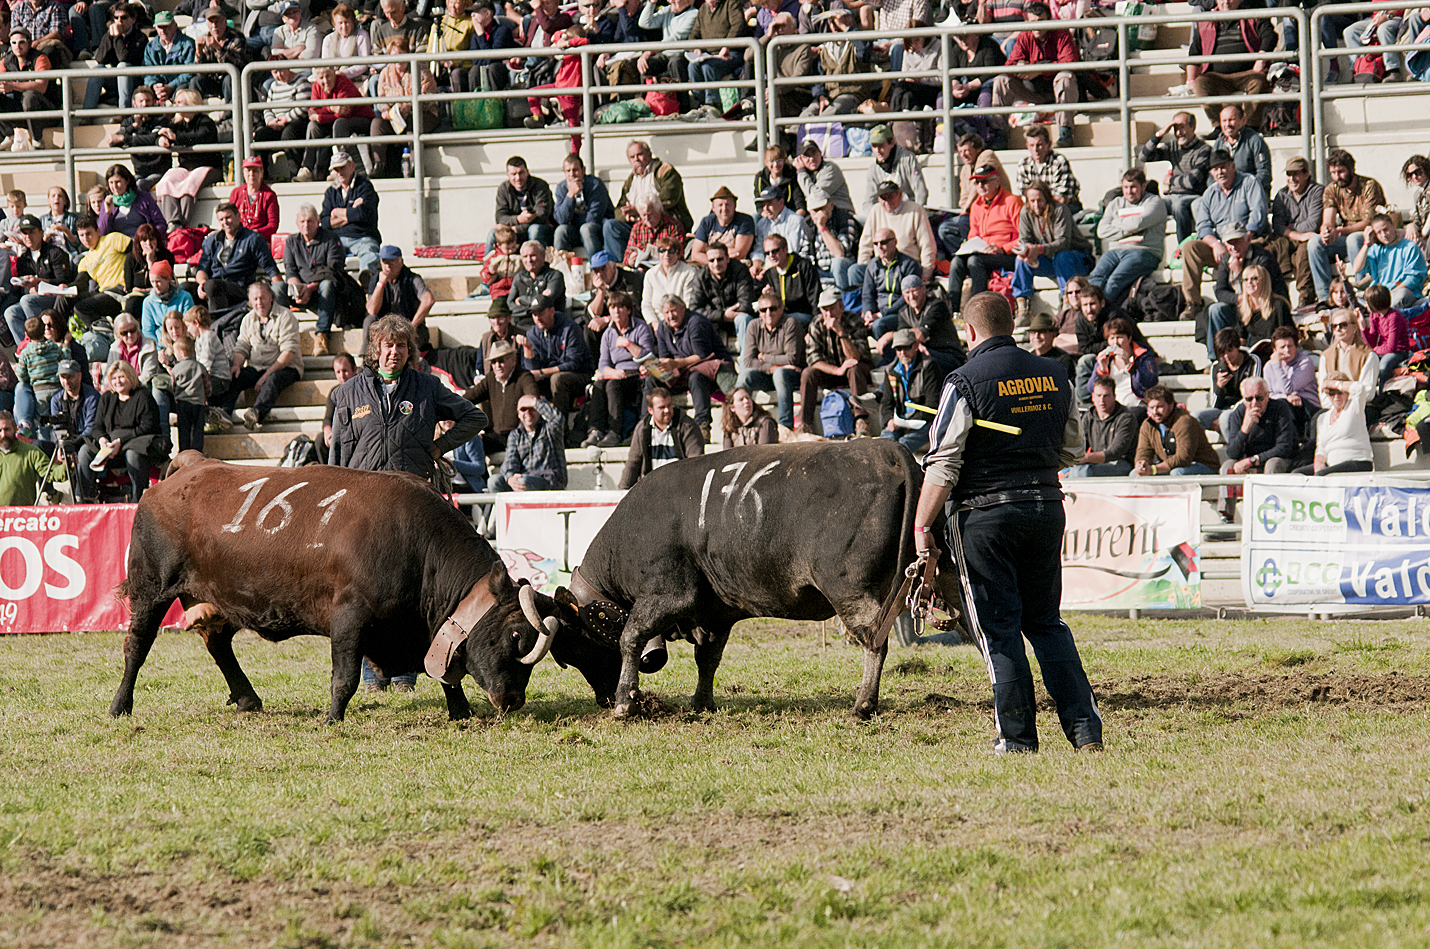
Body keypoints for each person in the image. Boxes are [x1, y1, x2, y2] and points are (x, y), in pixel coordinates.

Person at [914, 291, 1099, 754]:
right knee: (1046, 622)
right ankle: (1084, 730)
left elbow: (942, 464)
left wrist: (922, 527)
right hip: (1045, 507)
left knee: (999, 628)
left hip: (984, 517)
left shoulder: (963, 380)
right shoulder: (1056, 374)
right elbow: (1074, 450)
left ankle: (1016, 739)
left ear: (969, 331)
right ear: (1012, 323)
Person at [330, 313, 487, 481]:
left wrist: (440, 447)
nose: (394, 351)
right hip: (364, 494)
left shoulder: (427, 386)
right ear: (377, 350)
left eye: (401, 345)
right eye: (388, 345)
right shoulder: (348, 392)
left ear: (409, 350)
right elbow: (338, 451)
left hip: (412, 494)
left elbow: (476, 417)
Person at [1184, 150, 1270, 318]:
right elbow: (1203, 227)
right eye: (1215, 169)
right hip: (1222, 247)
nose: (1220, 172)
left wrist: (1246, 238)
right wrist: (1216, 244)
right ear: (1211, 173)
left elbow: (1258, 214)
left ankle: (1260, 299)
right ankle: (1192, 303)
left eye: (1223, 167)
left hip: (1248, 241)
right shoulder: (1209, 194)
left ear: (1233, 166)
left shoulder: (1249, 183)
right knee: (1190, 248)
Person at [646, 294, 734, 443]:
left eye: (673, 311)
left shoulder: (696, 322)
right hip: (679, 373)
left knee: (696, 377)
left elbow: (702, 355)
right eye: (666, 313)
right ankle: (648, 425)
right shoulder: (662, 327)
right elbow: (663, 357)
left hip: (708, 370)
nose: (670, 316)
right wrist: (653, 368)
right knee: (650, 381)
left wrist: (675, 364)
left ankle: (702, 426)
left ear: (682, 308)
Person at [990, 2, 1079, 149]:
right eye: (1032, 22)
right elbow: (1009, 65)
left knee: (1065, 77)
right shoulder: (1025, 35)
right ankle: (1000, 134)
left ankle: (1065, 132)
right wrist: (1019, 67)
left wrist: (1040, 70)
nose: (1036, 26)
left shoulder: (1061, 32)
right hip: (1032, 90)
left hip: (1057, 91)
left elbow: (1070, 62)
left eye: (1041, 21)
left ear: (1049, 20)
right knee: (1001, 80)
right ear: (1026, 22)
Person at [76, 360, 167, 503]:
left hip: (136, 442)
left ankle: (138, 499)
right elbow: (97, 426)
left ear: (130, 376)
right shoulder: (107, 397)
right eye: (114, 378)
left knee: (133, 454)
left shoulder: (143, 396)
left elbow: (147, 426)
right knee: (85, 451)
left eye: (121, 377)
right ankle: (85, 498)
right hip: (110, 444)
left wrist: (120, 441)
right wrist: (102, 440)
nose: (118, 381)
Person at [1309, 148, 1387, 307]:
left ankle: (1360, 292)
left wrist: (1338, 231)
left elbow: (1367, 222)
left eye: (1341, 171)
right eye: (1333, 172)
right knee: (1314, 243)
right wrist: (1326, 230)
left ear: (1351, 169)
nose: (1337, 176)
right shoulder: (1332, 189)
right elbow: (1328, 219)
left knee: (1353, 238)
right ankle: (1325, 297)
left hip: (1370, 237)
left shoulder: (1369, 186)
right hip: (1344, 237)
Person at [222, 282, 302, 431]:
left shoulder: (286, 316)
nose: (259, 302)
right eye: (255, 299)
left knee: (272, 380)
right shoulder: (248, 319)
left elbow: (288, 352)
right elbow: (242, 347)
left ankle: (256, 412)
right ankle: (224, 414)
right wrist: (236, 365)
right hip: (257, 367)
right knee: (234, 377)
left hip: (285, 367)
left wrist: (266, 374)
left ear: (271, 297)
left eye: (262, 298)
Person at [1009, 180, 1092, 324]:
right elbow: (1025, 239)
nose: (1036, 205)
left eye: (1039, 200)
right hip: (1049, 261)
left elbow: (1063, 242)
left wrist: (1039, 249)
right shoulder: (1026, 212)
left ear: (1047, 198)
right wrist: (1026, 252)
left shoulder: (1060, 210)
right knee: (1020, 261)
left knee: (1062, 256)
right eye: (1032, 201)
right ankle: (1023, 308)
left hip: (1077, 258)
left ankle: (1067, 303)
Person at [582, 289, 654, 448]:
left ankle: (615, 432)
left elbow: (648, 358)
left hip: (637, 374)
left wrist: (628, 344)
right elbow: (603, 364)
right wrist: (612, 372)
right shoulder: (608, 333)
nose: (616, 311)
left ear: (628, 310)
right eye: (613, 307)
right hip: (617, 374)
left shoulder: (640, 327)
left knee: (612, 384)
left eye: (620, 307)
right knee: (599, 385)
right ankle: (595, 431)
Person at [1187, 4, 1274, 130]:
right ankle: (1219, 127)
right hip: (1217, 77)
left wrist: (1260, 60)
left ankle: (1250, 128)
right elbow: (1194, 52)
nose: (1226, 2)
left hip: (1249, 73)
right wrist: (1191, 80)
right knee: (1200, 83)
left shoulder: (1253, 15)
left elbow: (1270, 36)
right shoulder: (1206, 22)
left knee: (1259, 81)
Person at [1204, 236, 1291, 362]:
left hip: (1273, 353)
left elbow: (1288, 335)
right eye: (1230, 243)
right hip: (1242, 306)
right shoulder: (1226, 259)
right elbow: (1220, 292)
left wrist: (1239, 272)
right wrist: (1241, 299)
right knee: (1215, 309)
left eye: (1237, 242)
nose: (1233, 247)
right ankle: (1218, 359)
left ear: (1247, 241)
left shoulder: (1262, 257)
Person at [1090, 169, 1167, 310]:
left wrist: (1117, 223)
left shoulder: (1154, 203)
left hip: (1144, 252)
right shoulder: (1116, 203)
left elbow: (1137, 223)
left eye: (1133, 187)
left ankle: (1102, 314)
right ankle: (1089, 314)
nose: (1129, 192)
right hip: (1115, 251)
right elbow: (1102, 230)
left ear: (1143, 187)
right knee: (1096, 277)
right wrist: (1130, 229)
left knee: (1114, 281)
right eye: (1125, 187)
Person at [799, 288, 871, 435]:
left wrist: (841, 333)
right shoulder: (816, 324)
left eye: (832, 309)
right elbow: (813, 359)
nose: (829, 314)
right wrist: (837, 370)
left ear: (841, 307)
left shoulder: (854, 320)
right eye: (825, 310)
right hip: (831, 371)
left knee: (855, 368)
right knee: (808, 373)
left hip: (856, 371)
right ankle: (805, 424)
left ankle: (861, 421)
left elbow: (855, 357)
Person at [605, 140, 692, 262]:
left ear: (649, 154)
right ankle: (619, 268)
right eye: (632, 157)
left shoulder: (664, 170)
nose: (637, 159)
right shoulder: (630, 181)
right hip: (639, 227)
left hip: (665, 224)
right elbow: (619, 209)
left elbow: (670, 197)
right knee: (610, 226)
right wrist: (628, 216)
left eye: (640, 154)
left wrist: (639, 210)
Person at [949, 165, 1023, 305]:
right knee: (956, 262)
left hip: (1007, 255)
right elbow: (973, 234)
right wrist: (967, 245)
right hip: (982, 252)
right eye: (977, 183)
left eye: (984, 181)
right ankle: (952, 312)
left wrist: (1003, 248)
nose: (980, 186)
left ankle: (980, 307)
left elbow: (1024, 238)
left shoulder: (1012, 201)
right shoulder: (976, 206)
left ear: (996, 181)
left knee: (974, 261)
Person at [276, 204, 346, 349]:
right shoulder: (291, 241)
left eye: (310, 221)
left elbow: (333, 270)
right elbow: (290, 270)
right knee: (277, 288)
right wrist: (298, 288)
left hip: (323, 290)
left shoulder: (331, 238)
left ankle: (322, 336)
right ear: (297, 224)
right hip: (300, 291)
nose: (306, 225)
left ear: (318, 221)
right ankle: (284, 333)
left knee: (327, 285)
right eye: (302, 222)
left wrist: (310, 288)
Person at [1138, 112, 1211, 243]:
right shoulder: (1173, 146)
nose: (1178, 132)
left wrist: (1170, 180)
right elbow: (1144, 156)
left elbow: (1191, 182)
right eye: (1175, 128)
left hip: (1193, 196)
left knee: (1178, 206)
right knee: (1152, 204)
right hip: (1172, 196)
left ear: (1192, 127)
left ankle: (1182, 247)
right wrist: (1160, 134)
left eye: (1182, 127)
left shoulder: (1203, 149)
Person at [194, 202, 280, 312]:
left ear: (238, 216)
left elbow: (270, 267)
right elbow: (202, 268)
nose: (225, 222)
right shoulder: (212, 241)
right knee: (186, 289)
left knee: (213, 286)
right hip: (213, 286)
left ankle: (218, 325)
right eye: (221, 220)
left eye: (228, 217)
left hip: (239, 287)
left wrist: (279, 287)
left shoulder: (253, 239)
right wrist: (202, 284)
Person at [738, 290, 804, 430]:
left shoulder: (791, 323)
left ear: (781, 308)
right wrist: (772, 367)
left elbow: (791, 358)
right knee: (745, 375)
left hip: (791, 375)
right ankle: (739, 422)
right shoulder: (753, 326)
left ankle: (785, 425)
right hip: (767, 375)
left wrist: (763, 357)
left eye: (773, 308)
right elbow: (749, 361)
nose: (768, 313)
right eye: (763, 309)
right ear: (759, 311)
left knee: (780, 374)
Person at [6, 213, 74, 346]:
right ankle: (27, 349)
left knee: (27, 301)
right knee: (11, 312)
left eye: (32, 232)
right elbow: (21, 291)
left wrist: (40, 282)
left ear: (41, 232)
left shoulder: (55, 252)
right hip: (34, 299)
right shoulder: (23, 260)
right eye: (24, 233)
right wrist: (28, 289)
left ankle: (42, 343)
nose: (28, 236)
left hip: (54, 298)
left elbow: (64, 280)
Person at [520, 292, 593, 415]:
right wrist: (528, 349)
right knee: (526, 379)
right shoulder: (532, 334)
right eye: (534, 314)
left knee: (557, 379)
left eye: (541, 313)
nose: (537, 318)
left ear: (552, 311)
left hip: (579, 375)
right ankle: (532, 425)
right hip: (547, 378)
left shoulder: (570, 328)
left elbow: (574, 364)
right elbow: (532, 370)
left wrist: (543, 373)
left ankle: (559, 424)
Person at [617, 385, 703, 489]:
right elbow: (633, 462)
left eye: (669, 405)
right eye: (662, 407)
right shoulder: (642, 428)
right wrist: (622, 491)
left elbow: (696, 462)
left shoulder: (687, 426)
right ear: (650, 410)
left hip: (680, 488)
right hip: (652, 489)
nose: (667, 410)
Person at [1265, 157, 1323, 309]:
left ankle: (1305, 298)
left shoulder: (1317, 191)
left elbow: (1312, 224)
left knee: (1304, 251)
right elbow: (1277, 225)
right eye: (1289, 174)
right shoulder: (1281, 195)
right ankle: (1276, 296)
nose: (1291, 179)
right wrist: (1296, 234)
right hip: (1290, 238)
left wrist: (1289, 228)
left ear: (1306, 174)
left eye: (1296, 174)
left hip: (1309, 239)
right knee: (1270, 250)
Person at [855, 179, 936, 286]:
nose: (887, 201)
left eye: (890, 196)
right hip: (880, 266)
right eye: (883, 198)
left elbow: (927, 244)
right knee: (855, 271)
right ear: (878, 199)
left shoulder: (915, 210)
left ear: (900, 194)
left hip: (907, 265)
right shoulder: (875, 211)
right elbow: (865, 245)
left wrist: (926, 272)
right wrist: (865, 266)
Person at [465, 338, 539, 454]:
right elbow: (468, 398)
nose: (497, 365)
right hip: (497, 437)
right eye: (493, 362)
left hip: (519, 435)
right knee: (469, 443)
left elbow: (533, 398)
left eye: (501, 360)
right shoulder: (490, 379)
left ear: (513, 360)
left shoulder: (524, 377)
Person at [1222, 374, 1300, 481]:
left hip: (1276, 458)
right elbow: (1232, 453)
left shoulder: (1280, 408)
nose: (1254, 403)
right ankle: (1226, 498)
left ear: (1267, 396)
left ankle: (1270, 497)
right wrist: (1244, 429)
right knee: (1228, 466)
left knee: (1272, 464)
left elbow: (1284, 447)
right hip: (1249, 459)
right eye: (1249, 399)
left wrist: (1254, 460)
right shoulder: (1238, 414)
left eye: (1259, 398)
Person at [1133, 384, 1221, 477]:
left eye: (1160, 406)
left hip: (1202, 465)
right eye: (1151, 408)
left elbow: (1183, 458)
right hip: (1170, 466)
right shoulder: (1148, 425)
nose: (1155, 412)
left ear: (1171, 405)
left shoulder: (1185, 422)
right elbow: (1144, 451)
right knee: (1134, 474)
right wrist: (1141, 464)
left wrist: (1153, 469)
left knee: (1177, 473)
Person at [320, 148, 382, 282]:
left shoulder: (365, 187)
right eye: (336, 170)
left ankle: (366, 278)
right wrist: (350, 213)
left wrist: (336, 213)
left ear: (352, 166)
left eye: (342, 167)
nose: (339, 172)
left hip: (362, 237)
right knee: (326, 252)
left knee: (369, 251)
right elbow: (324, 221)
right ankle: (333, 280)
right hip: (338, 239)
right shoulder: (330, 192)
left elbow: (363, 214)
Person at [1347, 213, 1428, 311]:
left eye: (1386, 230)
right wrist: (1366, 243)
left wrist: (1388, 294)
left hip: (1402, 293)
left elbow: (1412, 279)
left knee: (1401, 295)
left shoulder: (1409, 247)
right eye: (1379, 232)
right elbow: (1357, 268)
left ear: (1393, 226)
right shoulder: (1376, 249)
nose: (1384, 235)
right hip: (1381, 295)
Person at [1299, 373, 1372, 475]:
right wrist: (1319, 463)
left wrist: (1331, 383)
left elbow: (1359, 388)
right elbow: (1321, 448)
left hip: (1358, 461)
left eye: (1340, 392)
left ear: (1347, 392)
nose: (1336, 397)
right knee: (1297, 474)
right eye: (1332, 393)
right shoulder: (1322, 418)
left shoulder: (1354, 407)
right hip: (1332, 465)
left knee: (1321, 475)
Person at [364, 245, 435, 350]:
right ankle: (366, 360)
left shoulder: (412, 279)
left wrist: (413, 325)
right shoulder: (375, 281)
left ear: (400, 262)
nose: (388, 266)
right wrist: (381, 285)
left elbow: (428, 300)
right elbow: (372, 310)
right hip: (386, 327)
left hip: (407, 326)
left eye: (392, 261)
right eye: (385, 262)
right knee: (369, 320)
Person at [1064, 376, 1137, 477]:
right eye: (1098, 395)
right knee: (1064, 471)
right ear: (1093, 397)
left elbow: (1115, 452)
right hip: (1094, 463)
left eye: (1106, 396)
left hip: (1120, 463)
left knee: (1083, 472)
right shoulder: (1088, 416)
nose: (1102, 400)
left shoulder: (1126, 418)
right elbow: (1079, 444)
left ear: (1114, 396)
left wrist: (1085, 458)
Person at [492, 394, 567, 491]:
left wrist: (536, 403)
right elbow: (510, 461)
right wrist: (510, 478)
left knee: (523, 481)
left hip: (549, 481)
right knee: (494, 481)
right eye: (523, 409)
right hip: (524, 479)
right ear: (518, 414)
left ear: (538, 411)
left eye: (531, 408)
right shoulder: (515, 435)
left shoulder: (550, 429)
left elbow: (558, 419)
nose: (527, 412)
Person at [860, 228, 921, 345]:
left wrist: (881, 314)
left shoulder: (909, 264)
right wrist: (868, 312)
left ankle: (888, 360)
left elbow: (907, 298)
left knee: (879, 325)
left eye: (883, 242)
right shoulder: (872, 266)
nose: (879, 247)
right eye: (876, 244)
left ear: (895, 242)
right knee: (855, 324)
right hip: (878, 314)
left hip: (901, 314)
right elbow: (868, 294)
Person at [1198, 327, 1262, 434]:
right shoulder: (1217, 367)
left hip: (1244, 408)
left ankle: (1235, 450)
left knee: (1225, 418)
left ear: (1238, 347)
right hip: (1223, 409)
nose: (1226, 356)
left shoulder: (1252, 361)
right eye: (1222, 353)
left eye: (1230, 350)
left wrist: (1231, 410)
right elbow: (1214, 404)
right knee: (1195, 418)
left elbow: (1252, 396)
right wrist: (1219, 387)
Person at [0, 28, 57, 146]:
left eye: (22, 42)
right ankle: (9, 135)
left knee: (29, 96)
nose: (17, 46)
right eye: (13, 43)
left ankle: (37, 141)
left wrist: (12, 85)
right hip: (21, 110)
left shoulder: (40, 58)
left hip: (47, 111)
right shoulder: (6, 61)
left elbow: (41, 86)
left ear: (30, 43)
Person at [553, 153, 614, 261]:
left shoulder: (595, 184)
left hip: (596, 230)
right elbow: (561, 219)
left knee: (586, 229)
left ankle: (597, 270)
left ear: (583, 170)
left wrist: (573, 219)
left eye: (575, 170)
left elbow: (594, 217)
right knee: (560, 231)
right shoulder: (561, 188)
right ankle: (561, 271)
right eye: (568, 171)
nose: (572, 174)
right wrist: (570, 195)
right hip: (575, 231)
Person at [1090, 317, 1157, 412]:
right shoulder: (1106, 358)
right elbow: (1090, 389)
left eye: (1120, 337)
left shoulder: (1143, 356)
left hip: (1135, 405)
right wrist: (1102, 369)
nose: (1116, 342)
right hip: (1110, 407)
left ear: (1129, 338)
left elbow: (1149, 384)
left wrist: (1129, 366)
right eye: (1112, 338)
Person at [491, 155, 556, 253]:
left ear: (527, 171)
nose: (518, 178)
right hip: (514, 230)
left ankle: (537, 265)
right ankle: (489, 266)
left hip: (540, 228)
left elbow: (542, 215)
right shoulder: (504, 189)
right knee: (493, 233)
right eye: (514, 174)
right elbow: (500, 217)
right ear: (508, 175)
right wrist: (517, 219)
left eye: (521, 173)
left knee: (534, 230)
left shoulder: (540, 186)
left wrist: (517, 228)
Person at [1263, 325, 1319, 434]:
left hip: (1306, 406)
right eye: (1282, 347)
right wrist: (1286, 397)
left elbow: (1288, 388)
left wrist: (1277, 365)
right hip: (1283, 405)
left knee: (1282, 405)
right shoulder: (1269, 366)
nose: (1287, 351)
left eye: (1290, 346)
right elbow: (1268, 394)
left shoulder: (1305, 362)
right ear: (1274, 350)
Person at [689, 242, 754, 335]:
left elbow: (745, 304)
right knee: (696, 322)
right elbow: (694, 308)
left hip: (736, 317)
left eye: (720, 259)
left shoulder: (740, 271)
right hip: (713, 320)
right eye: (711, 260)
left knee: (743, 319)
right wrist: (722, 315)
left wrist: (728, 315)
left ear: (727, 258)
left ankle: (745, 350)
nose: (716, 264)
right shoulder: (700, 276)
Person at [862, 124, 928, 214]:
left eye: (881, 146)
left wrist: (915, 215)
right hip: (885, 216)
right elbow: (868, 203)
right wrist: (875, 219)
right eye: (874, 146)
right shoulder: (873, 170)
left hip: (909, 212)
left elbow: (921, 192)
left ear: (892, 143)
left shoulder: (907, 159)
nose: (878, 151)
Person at [1208, 104, 1272, 194]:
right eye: (1224, 121)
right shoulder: (1218, 143)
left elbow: (1264, 174)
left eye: (1231, 120)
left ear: (1243, 120)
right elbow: (1211, 175)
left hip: (1251, 193)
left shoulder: (1255, 140)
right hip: (1225, 194)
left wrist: (1243, 190)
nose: (1227, 124)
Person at [1017, 124, 1081, 212]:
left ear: (1049, 144)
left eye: (1039, 145)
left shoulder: (1059, 162)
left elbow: (1062, 199)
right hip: (1036, 209)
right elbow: (1024, 197)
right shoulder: (1024, 164)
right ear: (1027, 146)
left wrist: (1037, 201)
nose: (1035, 149)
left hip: (1064, 209)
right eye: (1032, 145)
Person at [0, 410, 58, 505]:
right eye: (0, 430)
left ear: (15, 429)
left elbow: (50, 473)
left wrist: (67, 465)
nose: (3, 435)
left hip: (23, 517)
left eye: (7, 429)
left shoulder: (31, 452)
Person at [688, 185, 755, 265]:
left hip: (734, 265)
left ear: (735, 206)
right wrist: (715, 262)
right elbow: (695, 255)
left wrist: (708, 252)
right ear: (713, 208)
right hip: (709, 265)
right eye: (720, 205)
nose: (724, 209)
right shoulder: (706, 222)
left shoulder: (744, 221)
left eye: (728, 205)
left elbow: (739, 253)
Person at [98, 165, 167, 241]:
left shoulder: (144, 198)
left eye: (118, 182)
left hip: (143, 243)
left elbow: (160, 223)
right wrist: (107, 213)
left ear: (127, 181)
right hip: (119, 246)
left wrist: (150, 237)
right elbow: (102, 233)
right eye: (111, 182)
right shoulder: (107, 202)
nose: (114, 186)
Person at [49, 359, 99, 462]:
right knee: (39, 446)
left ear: (80, 376)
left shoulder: (92, 396)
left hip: (86, 442)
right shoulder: (56, 400)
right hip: (65, 443)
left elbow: (90, 428)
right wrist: (60, 447)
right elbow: (56, 429)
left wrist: (73, 448)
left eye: (70, 377)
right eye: (63, 377)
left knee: (84, 451)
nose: (66, 381)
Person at [1318, 308, 1379, 392]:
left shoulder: (1368, 355)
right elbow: (1322, 390)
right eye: (1334, 326)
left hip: (1360, 403)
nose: (1338, 329)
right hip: (1332, 403)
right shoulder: (1325, 356)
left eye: (1343, 325)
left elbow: (1367, 391)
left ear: (1354, 327)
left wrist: (1340, 387)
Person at [1361, 283, 1411, 385]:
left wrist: (1374, 350)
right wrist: (1363, 329)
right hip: (1382, 349)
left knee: (1384, 364)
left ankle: (1383, 393)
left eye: (1368, 303)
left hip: (1399, 351)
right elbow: (1372, 341)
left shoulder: (1394, 317)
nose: (1366, 306)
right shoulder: (1374, 315)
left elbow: (1391, 348)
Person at [750, 186, 812, 268]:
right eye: (763, 204)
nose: (765, 208)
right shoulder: (762, 224)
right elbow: (759, 249)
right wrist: (757, 264)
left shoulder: (796, 221)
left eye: (769, 203)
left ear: (781, 202)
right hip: (768, 270)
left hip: (793, 268)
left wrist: (769, 270)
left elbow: (791, 251)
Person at [142, 12, 197, 104]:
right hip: (158, 90)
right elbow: (147, 71)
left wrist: (171, 86)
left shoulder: (188, 44)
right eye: (160, 27)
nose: (163, 30)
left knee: (183, 91)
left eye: (166, 26)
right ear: (155, 28)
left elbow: (190, 71)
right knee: (141, 94)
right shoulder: (150, 46)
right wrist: (154, 85)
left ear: (175, 26)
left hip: (180, 86)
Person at [510, 239, 567, 327]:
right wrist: (531, 310)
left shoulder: (554, 276)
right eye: (525, 256)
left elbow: (545, 301)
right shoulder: (519, 277)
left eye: (532, 255)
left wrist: (522, 299)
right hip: (522, 326)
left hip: (550, 327)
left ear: (543, 256)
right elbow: (510, 304)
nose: (529, 260)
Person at [168, 335, 209, 453]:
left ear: (182, 353)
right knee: (198, 429)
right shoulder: (200, 367)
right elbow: (207, 384)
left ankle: (184, 452)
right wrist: (205, 396)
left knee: (184, 429)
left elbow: (173, 385)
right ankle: (197, 451)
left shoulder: (176, 368)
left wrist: (175, 396)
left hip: (183, 403)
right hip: (198, 403)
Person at [794, 139, 854, 217]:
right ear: (800, 159)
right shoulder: (803, 173)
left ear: (820, 153)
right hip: (819, 215)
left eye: (814, 153)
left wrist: (801, 172)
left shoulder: (830, 168)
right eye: (807, 156)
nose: (811, 158)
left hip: (842, 213)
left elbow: (816, 197)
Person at [623, 195, 685, 268]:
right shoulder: (637, 228)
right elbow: (626, 256)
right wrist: (630, 260)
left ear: (658, 210)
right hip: (642, 270)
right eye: (643, 215)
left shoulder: (672, 225)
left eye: (650, 214)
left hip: (666, 269)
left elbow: (679, 253)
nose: (647, 218)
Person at [139, 260, 193, 343]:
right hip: (160, 345)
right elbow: (148, 330)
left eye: (158, 282)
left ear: (168, 279)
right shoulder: (148, 302)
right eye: (152, 282)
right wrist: (157, 348)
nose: (155, 286)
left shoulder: (185, 297)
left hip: (182, 342)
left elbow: (188, 324)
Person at [320, 351, 359, 461]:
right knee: (320, 441)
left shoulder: (362, 388)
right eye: (338, 372)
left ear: (355, 370)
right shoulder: (334, 392)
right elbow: (327, 418)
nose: (342, 376)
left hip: (356, 431)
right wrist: (328, 431)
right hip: (339, 432)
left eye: (345, 371)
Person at [1027, 311, 1075, 378]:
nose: (1036, 336)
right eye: (1032, 332)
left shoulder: (1062, 361)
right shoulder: (1027, 359)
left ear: (1053, 334)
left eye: (1042, 332)